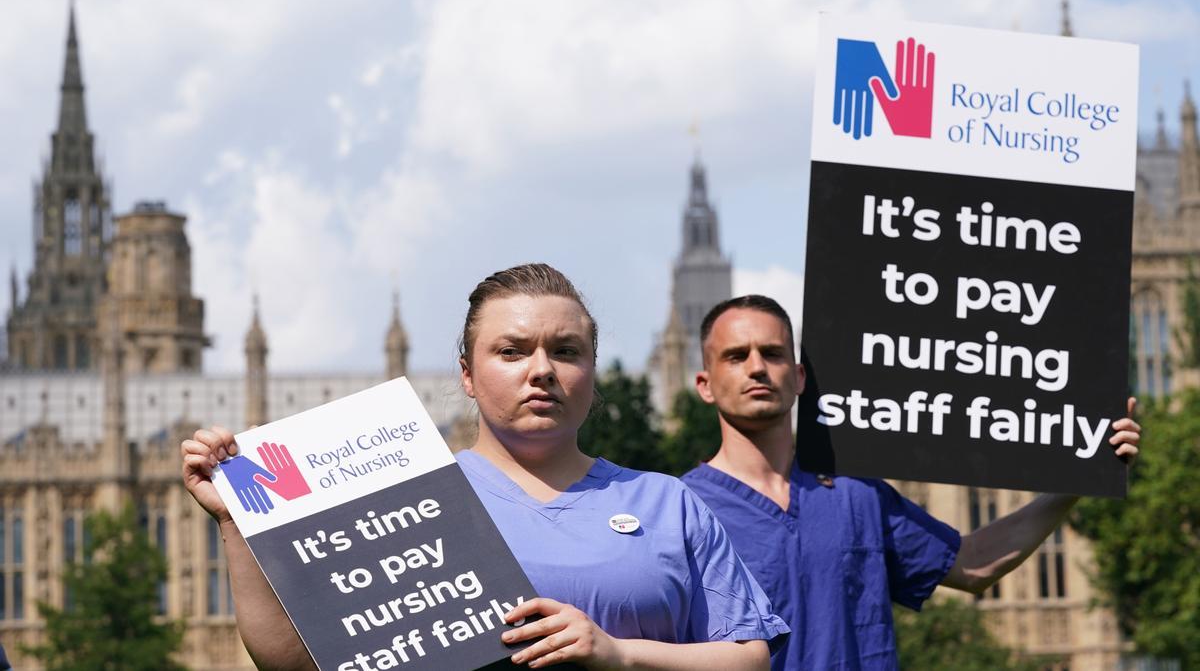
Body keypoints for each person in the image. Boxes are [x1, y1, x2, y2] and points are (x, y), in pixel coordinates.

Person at [182, 264, 786, 671]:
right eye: (512, 351)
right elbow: (294, 660)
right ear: (467, 374)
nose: (542, 369)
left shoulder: (664, 503)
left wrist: (617, 653)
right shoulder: (406, 496)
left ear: (593, 372)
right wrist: (236, 523)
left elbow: (749, 657)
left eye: (567, 351)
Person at [680, 295, 1141, 671]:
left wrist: (1081, 476)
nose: (758, 367)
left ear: (799, 376)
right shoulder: (682, 509)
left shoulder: (857, 493)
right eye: (737, 356)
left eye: (774, 353)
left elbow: (975, 563)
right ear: (704, 383)